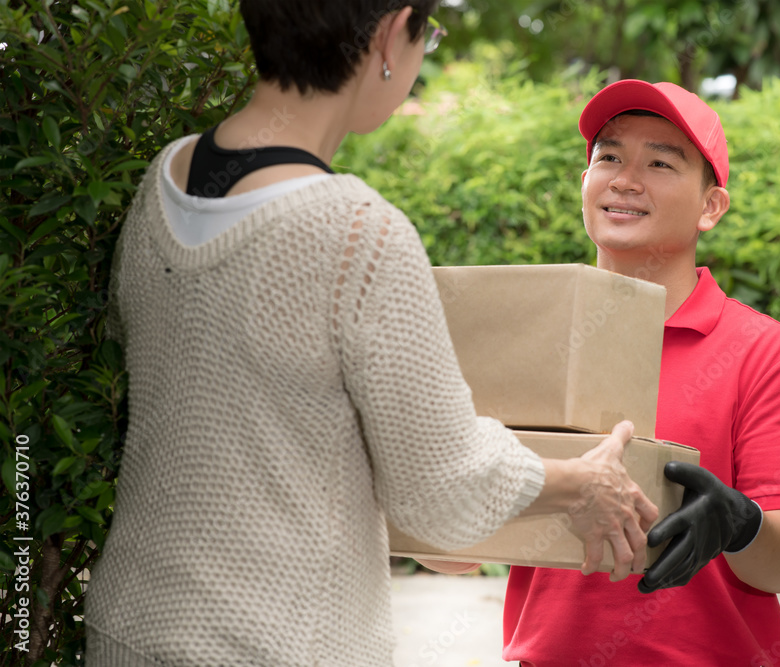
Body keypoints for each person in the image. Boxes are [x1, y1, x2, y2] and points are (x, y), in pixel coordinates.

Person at [82, 5, 658, 666]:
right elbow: (441, 488)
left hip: (130, 625)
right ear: (391, 34)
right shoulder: (359, 232)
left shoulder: (166, 176)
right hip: (273, 644)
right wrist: (582, 484)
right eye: (428, 37)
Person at [423, 80, 780, 666]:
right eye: (608, 156)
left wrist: (740, 525)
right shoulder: (520, 336)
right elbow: (451, 553)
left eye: (660, 162)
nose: (625, 179)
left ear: (711, 206)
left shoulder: (767, 353)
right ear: (583, 183)